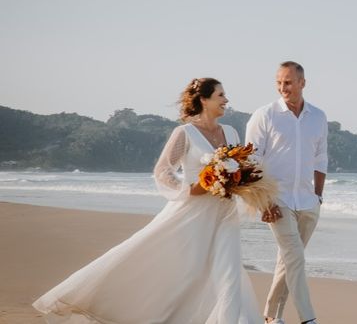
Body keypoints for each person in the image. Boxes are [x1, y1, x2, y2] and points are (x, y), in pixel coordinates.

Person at [33, 78, 263, 324]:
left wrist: (239, 182)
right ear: (204, 100)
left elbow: (242, 169)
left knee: (229, 273)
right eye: (220, 95)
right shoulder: (184, 133)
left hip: (226, 213)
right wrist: (190, 189)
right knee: (186, 273)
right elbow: (162, 171)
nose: (226, 100)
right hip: (194, 214)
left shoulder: (231, 132)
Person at [246, 61, 328, 324]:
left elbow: (320, 159)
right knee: (296, 259)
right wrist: (263, 202)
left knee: (289, 260)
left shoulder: (318, 117)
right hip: (277, 200)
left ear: (303, 83)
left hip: (308, 202)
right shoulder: (265, 115)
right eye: (279, 82)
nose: (283, 87)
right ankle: (308, 319)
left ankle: (271, 316)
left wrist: (318, 197)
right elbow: (252, 161)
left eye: (289, 82)